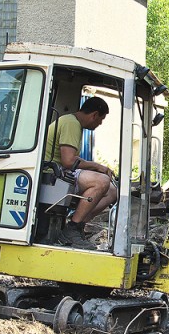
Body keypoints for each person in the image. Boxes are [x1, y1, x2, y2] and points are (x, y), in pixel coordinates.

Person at [44, 96, 118, 249]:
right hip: (52, 173)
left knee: (112, 192)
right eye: (101, 120)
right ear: (94, 115)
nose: (100, 124)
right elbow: (69, 161)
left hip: (59, 172)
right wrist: (98, 167)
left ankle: (77, 225)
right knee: (102, 181)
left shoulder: (71, 122)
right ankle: (71, 230)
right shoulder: (72, 124)